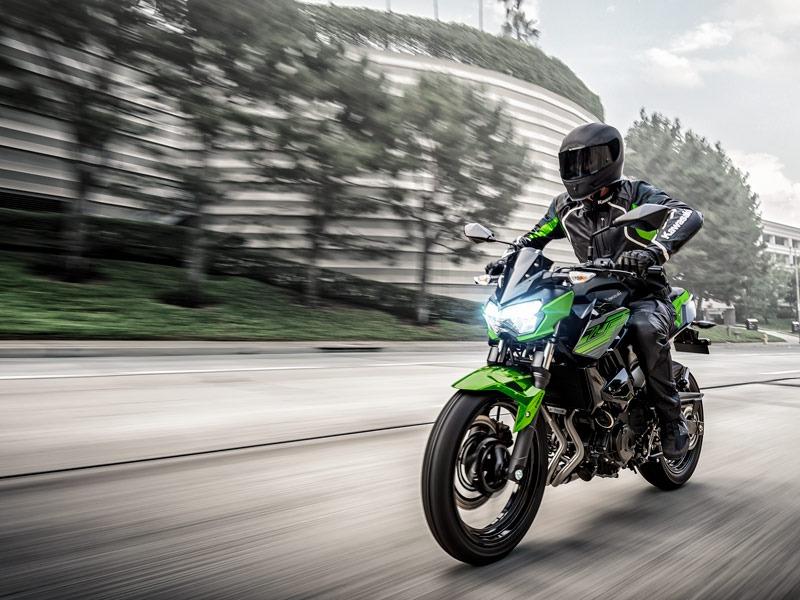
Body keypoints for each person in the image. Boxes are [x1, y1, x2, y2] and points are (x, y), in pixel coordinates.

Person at [487, 123, 703, 459]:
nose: (580, 170)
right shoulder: (563, 207)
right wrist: (506, 260)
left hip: (643, 294)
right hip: (596, 292)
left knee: (644, 329)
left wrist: (653, 252)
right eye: (573, 163)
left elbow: (686, 214)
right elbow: (532, 239)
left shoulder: (634, 195)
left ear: (610, 159)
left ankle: (671, 421)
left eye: (588, 161)